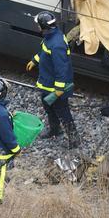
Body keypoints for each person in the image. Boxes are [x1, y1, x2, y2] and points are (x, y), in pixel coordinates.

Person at [25, 11, 79, 149]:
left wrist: (60, 89)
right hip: (47, 84)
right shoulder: (50, 37)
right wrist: (35, 61)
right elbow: (44, 52)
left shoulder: (57, 44)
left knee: (62, 111)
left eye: (38, 24)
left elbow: (62, 68)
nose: (36, 26)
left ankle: (74, 139)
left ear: (43, 26)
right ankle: (55, 129)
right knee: (48, 107)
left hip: (55, 88)